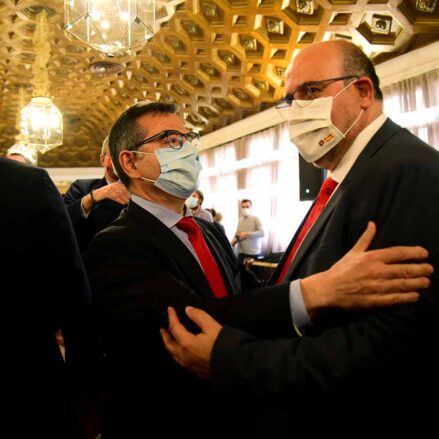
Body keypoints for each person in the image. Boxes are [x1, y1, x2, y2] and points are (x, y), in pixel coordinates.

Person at [85, 101, 432, 438]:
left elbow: (248, 293)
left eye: (188, 139)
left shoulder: (208, 230)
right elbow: (193, 318)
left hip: (236, 405)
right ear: (130, 163)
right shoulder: (115, 244)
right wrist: (317, 292)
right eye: (171, 141)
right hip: (167, 421)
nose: (187, 150)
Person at [161, 40, 439, 436]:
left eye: (310, 92)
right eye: (290, 99)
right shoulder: (350, 174)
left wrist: (232, 360)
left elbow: (389, 348)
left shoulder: (406, 170)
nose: (297, 111)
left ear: (362, 92)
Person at [0, 157, 101, 439]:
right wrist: (88, 392)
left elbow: (72, 292)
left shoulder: (28, 184)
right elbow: (73, 295)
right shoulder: (28, 184)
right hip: (28, 382)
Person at [63, 136, 130, 252]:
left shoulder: (143, 190)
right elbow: (61, 221)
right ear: (102, 159)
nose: (118, 163)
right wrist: (92, 197)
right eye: (113, 155)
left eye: (123, 157)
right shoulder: (81, 187)